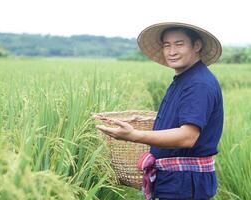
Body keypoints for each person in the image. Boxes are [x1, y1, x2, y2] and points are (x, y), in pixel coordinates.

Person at [93, 22, 223, 200]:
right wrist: (138, 120)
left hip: (185, 186)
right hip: (175, 183)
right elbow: (181, 118)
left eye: (179, 44)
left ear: (197, 45)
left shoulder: (198, 84)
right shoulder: (185, 78)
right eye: (167, 45)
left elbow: (187, 136)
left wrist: (134, 135)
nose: (172, 51)